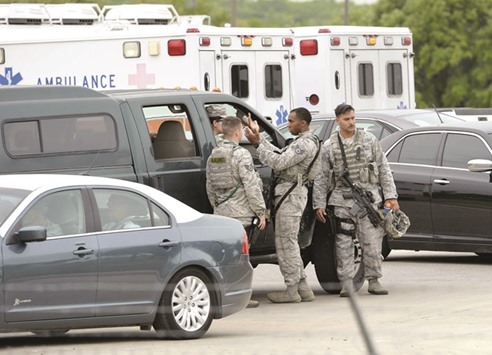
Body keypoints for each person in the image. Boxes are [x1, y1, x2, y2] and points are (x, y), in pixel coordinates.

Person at [313, 103, 399, 297]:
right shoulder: (329, 146)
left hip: (369, 199)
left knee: (371, 241)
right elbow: (321, 176)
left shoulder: (368, 139)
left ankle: (374, 280)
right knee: (343, 243)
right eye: (346, 119)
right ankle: (346, 283)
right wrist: (319, 204)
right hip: (342, 200)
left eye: (353, 118)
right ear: (338, 121)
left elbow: (383, 167)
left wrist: (391, 196)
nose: (351, 122)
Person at [244, 107, 320, 303]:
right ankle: (302, 287)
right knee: (289, 242)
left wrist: (257, 145)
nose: (288, 124)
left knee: (286, 243)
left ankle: (292, 290)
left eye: (292, 121)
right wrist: (259, 139)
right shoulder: (301, 142)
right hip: (290, 194)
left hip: (292, 195)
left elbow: (278, 162)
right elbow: (280, 152)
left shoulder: (305, 144)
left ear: (303, 123)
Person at [206, 116, 267, 308]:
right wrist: (261, 211)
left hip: (220, 214)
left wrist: (217, 206)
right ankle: (240, 297)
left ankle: (225, 295)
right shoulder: (241, 154)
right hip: (241, 215)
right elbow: (251, 185)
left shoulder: (214, 155)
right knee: (241, 257)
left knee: (223, 257)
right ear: (238, 132)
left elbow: (209, 186)